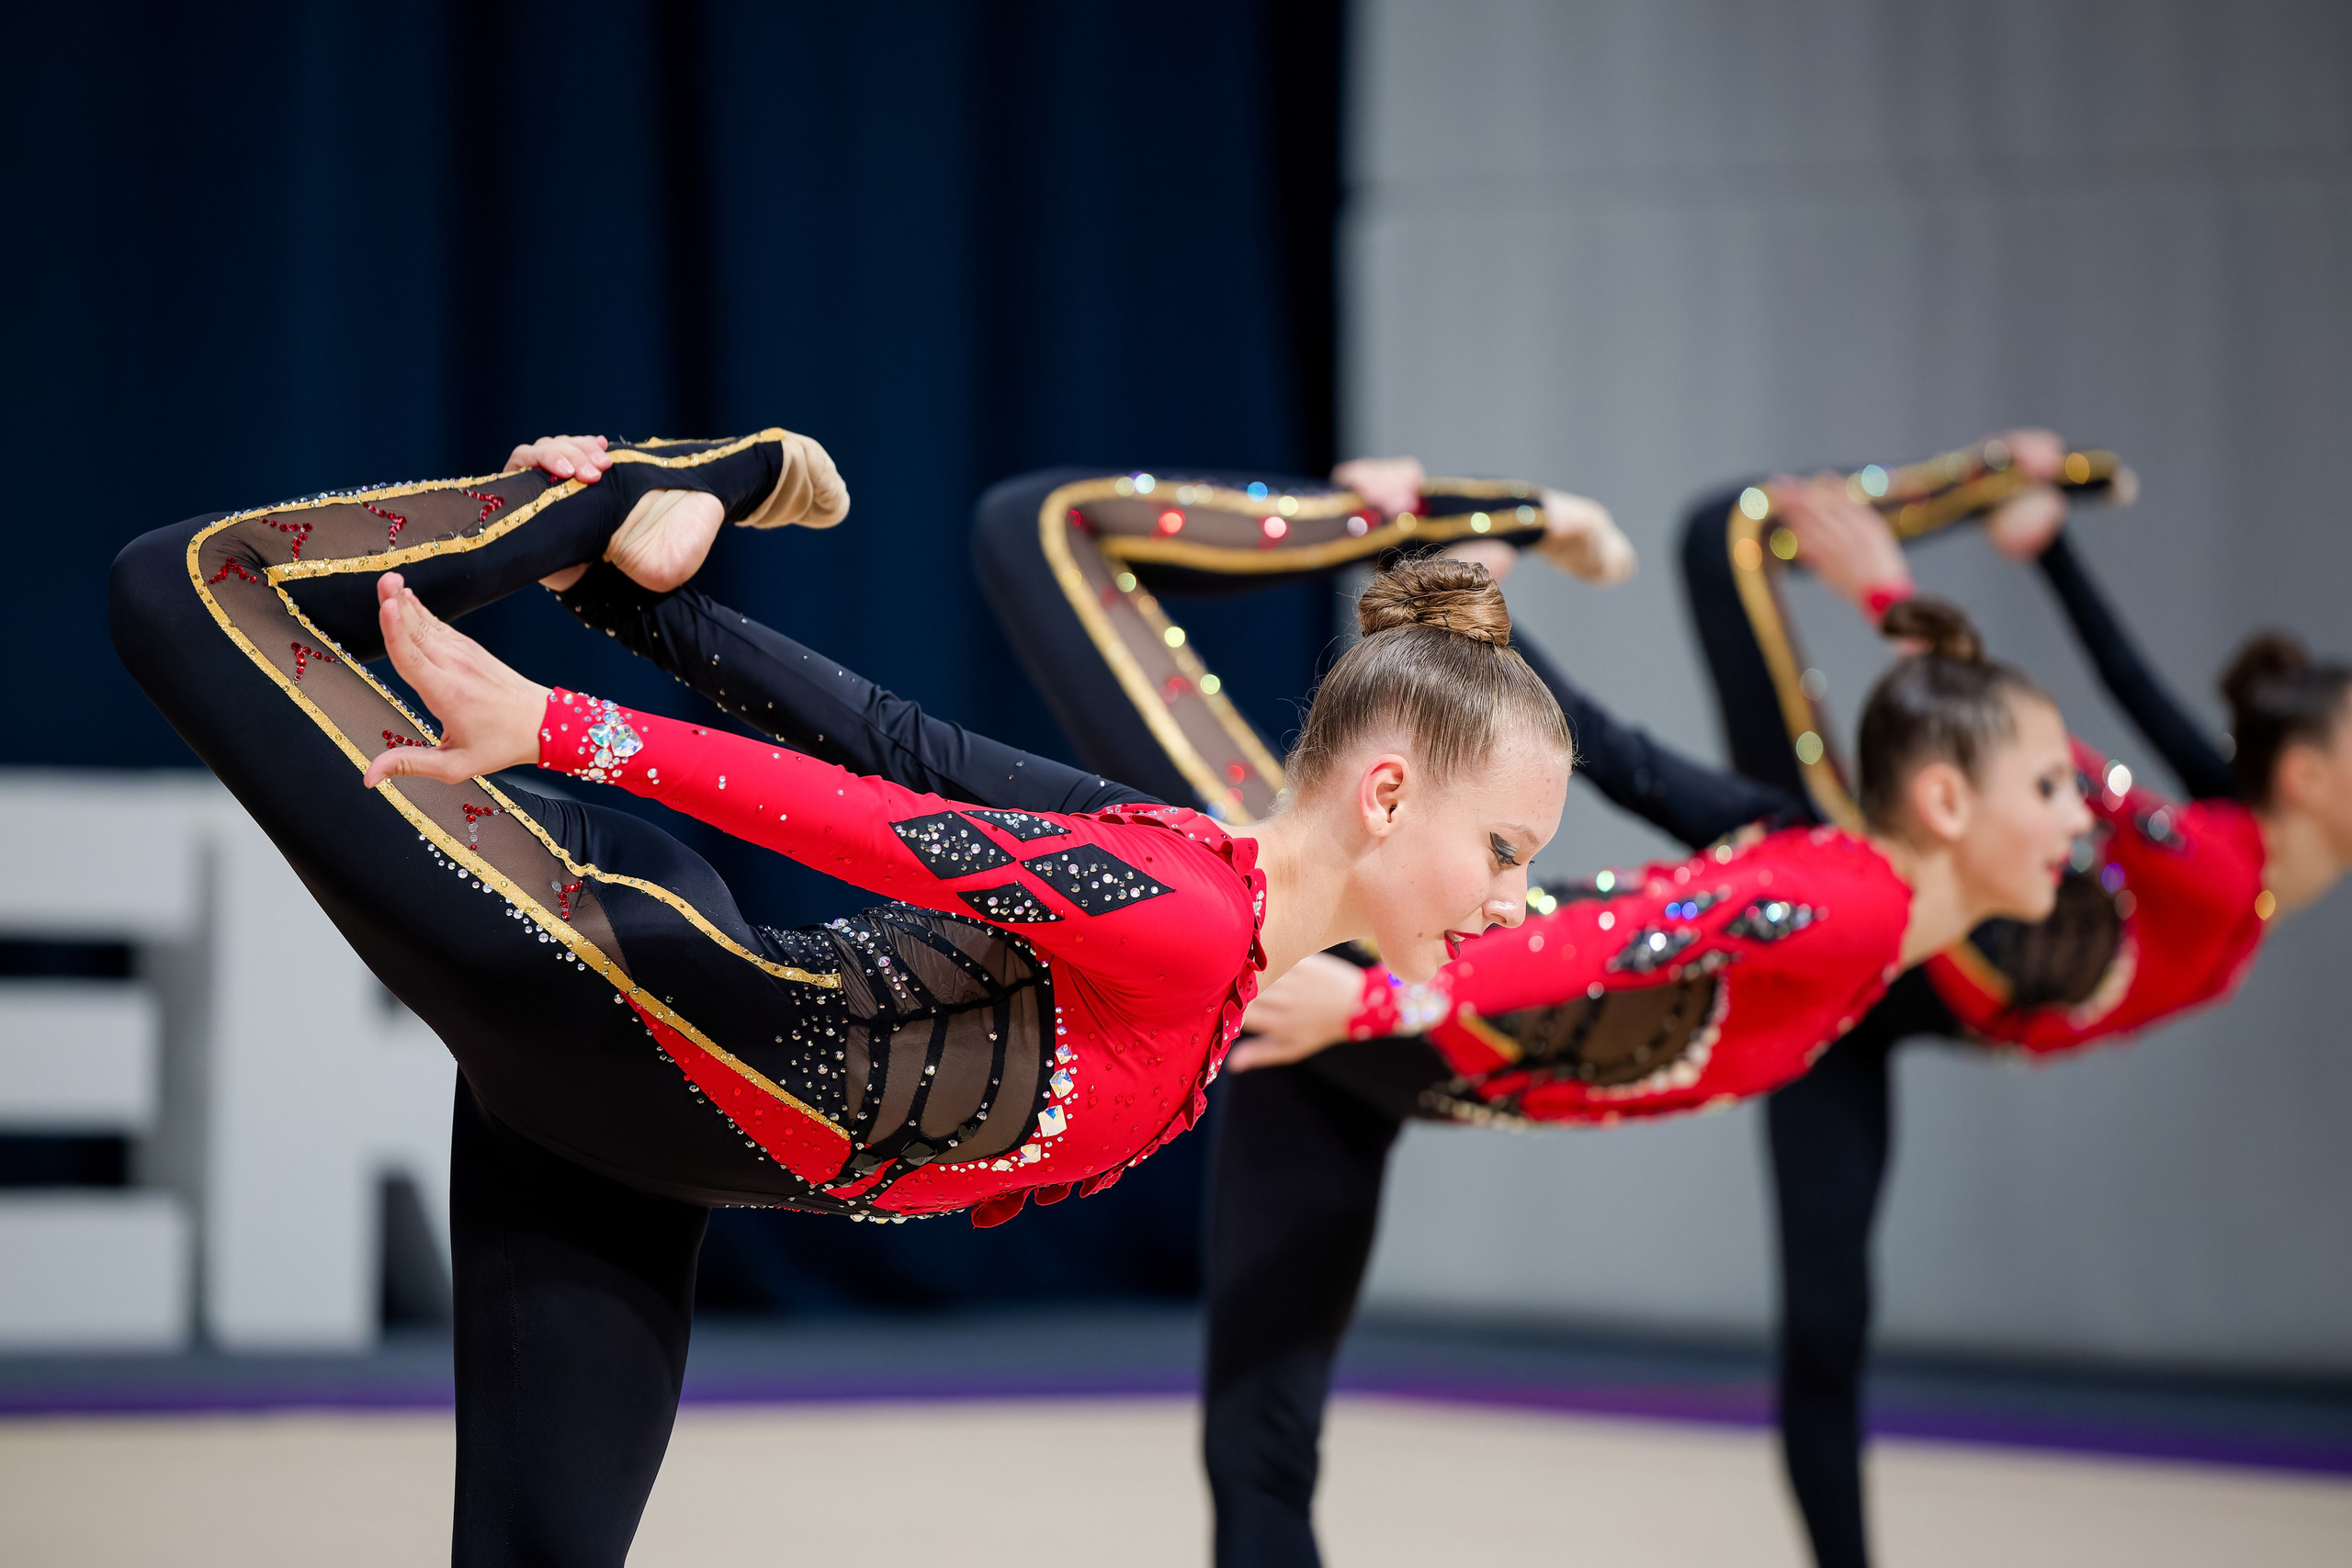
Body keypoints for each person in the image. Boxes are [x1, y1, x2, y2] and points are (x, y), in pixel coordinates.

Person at [107, 428, 1575, 1568]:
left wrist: (636, 616)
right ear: (1388, 791)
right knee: (185, 591)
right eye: (1507, 848)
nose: (1515, 895)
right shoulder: (1190, 913)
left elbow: (899, 737)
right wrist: (561, 722)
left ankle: (608, 523)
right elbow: (883, 824)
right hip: (610, 974)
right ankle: (613, 492)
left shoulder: (1195, 885)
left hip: (633, 1147)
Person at [970, 458, 2092, 1567]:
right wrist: (1375, 996)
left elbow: (1610, 754)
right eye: (2051, 786)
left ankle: (1430, 531)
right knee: (1040, 529)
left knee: (1259, 1447)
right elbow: (1610, 941)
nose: (2081, 817)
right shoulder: (1847, 900)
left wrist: (1477, 603)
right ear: (1944, 799)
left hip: (1377, 1040)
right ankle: (1393, 513)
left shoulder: (1836, 888)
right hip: (1355, 965)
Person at [1682, 434, 2352, 1568]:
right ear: (2308, 776)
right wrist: (1892, 594)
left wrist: (2047, 553)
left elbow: (2130, 685)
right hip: (1869, 917)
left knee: (1828, 1328)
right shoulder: (2222, 867)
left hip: (1872, 1000)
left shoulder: (2236, 849)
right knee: (1721, 540)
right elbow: (2054, 755)